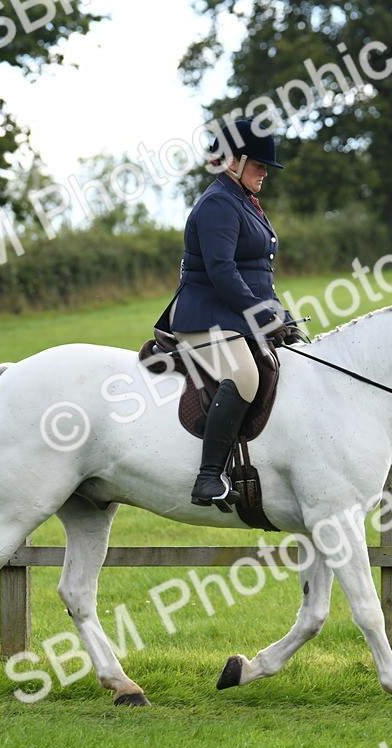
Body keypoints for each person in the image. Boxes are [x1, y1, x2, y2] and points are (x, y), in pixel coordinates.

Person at [155, 119, 308, 508]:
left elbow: (258, 277)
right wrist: (262, 316)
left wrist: (281, 316)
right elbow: (223, 272)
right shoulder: (218, 204)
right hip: (203, 316)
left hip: (232, 315)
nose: (264, 173)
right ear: (234, 161)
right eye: (258, 165)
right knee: (244, 376)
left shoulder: (242, 200)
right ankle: (208, 478)